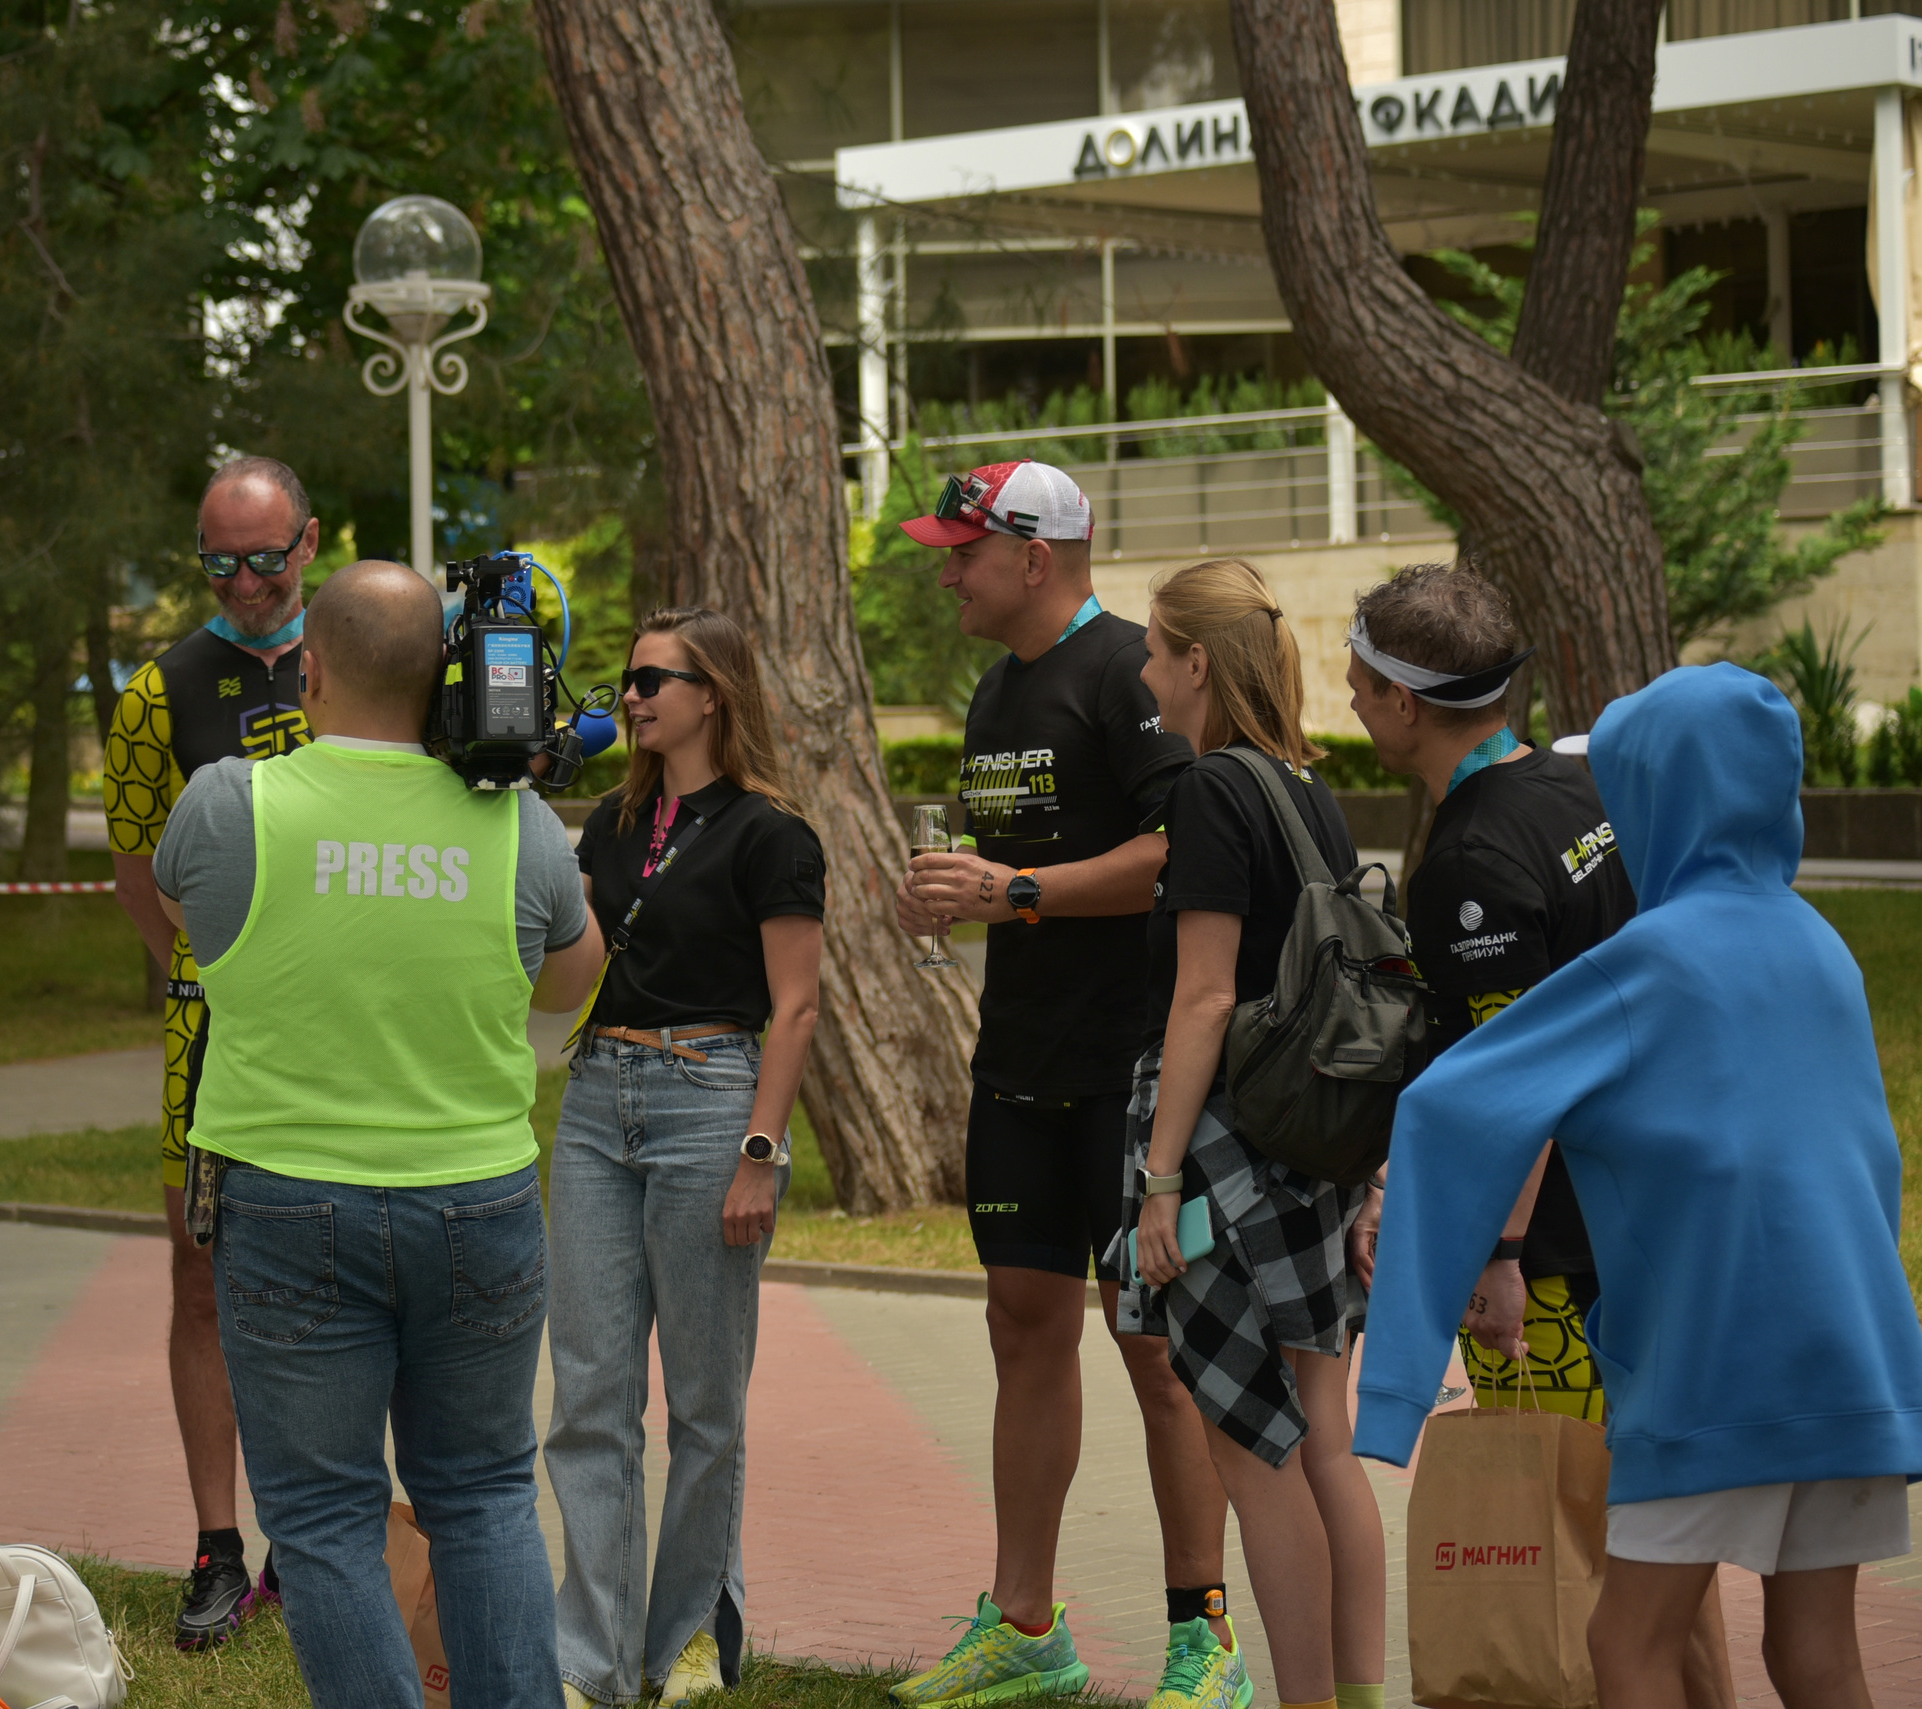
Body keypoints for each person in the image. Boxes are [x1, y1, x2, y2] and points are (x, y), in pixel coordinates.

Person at [1356, 662, 1922, 1709]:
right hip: (1854, 1352)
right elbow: (1867, 1155)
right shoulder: (1822, 946)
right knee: (1817, 1653)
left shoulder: (1648, 962)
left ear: (1653, 800)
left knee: (1626, 1642)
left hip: (1714, 1358)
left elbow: (1452, 1104)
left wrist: (1398, 1377)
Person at [153, 558, 604, 1709]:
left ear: (309, 667)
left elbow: (180, 910)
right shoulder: (521, 823)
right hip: (480, 1197)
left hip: (289, 1199)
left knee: (319, 1517)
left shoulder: (227, 803)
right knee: (486, 1493)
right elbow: (571, 985)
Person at [1340, 565, 1740, 1709]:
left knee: (1584, 1533)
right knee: (1654, 1523)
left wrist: (1502, 1257)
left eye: (1363, 683)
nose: (1354, 702)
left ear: (1405, 701)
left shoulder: (1470, 860)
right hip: (1657, 1211)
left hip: (1562, 1252)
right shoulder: (1582, 786)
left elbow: (1519, 1085)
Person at [892, 462, 1239, 1709]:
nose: (945, 570)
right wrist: (964, 886)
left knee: (1156, 1351)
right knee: (1019, 1329)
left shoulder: (1129, 669)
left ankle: (1204, 1635)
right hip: (1021, 1063)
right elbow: (1020, 862)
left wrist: (1016, 891)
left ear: (1033, 556)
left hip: (1132, 1074)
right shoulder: (996, 686)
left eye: (961, 551)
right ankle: (1026, 1626)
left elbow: (1180, 847)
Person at [547, 609, 826, 1709]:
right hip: (594, 1100)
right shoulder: (609, 828)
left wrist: (761, 1149)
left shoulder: (771, 833)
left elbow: (796, 1007)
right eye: (626, 680)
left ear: (713, 692)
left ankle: (690, 1640)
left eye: (654, 679)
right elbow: (568, 970)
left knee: (705, 1406)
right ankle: (593, 1659)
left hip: (712, 1099)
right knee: (590, 1395)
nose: (632, 695)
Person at [1127, 557, 1385, 1709]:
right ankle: (1356, 1695)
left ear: (1195, 661)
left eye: (1152, 648)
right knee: (1324, 1438)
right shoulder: (1303, 784)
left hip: (1232, 1160)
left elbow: (1204, 996)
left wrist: (1156, 1176)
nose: (1142, 670)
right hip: (1315, 1147)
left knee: (1252, 1443)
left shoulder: (1209, 791)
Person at [104, 454, 316, 1647]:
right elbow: (138, 867)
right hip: (214, 1036)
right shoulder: (161, 688)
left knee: (332, 1274)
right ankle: (215, 1545)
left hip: (343, 1034)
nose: (243, 580)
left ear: (310, 540)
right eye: (219, 561)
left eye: (265, 555)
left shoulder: (361, 664)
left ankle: (310, 1535)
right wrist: (202, 964)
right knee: (202, 1276)